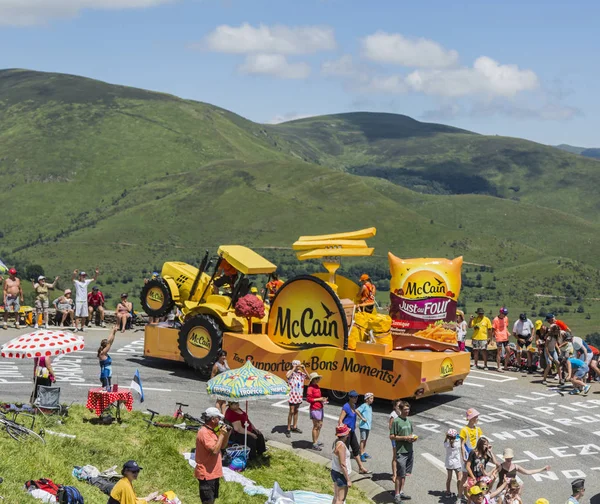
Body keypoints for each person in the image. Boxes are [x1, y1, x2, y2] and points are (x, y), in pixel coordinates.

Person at [195, 407, 231, 504]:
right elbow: (214, 451)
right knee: (208, 501)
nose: (220, 420)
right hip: (206, 474)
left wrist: (226, 434)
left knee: (212, 499)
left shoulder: (212, 431)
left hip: (214, 472)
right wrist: (222, 435)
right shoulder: (204, 433)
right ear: (212, 419)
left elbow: (222, 447)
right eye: (218, 418)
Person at [338, 390, 370, 475]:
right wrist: (343, 431)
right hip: (346, 433)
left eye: (356, 397)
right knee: (346, 452)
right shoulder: (346, 407)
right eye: (354, 397)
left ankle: (361, 468)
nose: (356, 398)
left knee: (356, 450)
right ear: (350, 397)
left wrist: (362, 418)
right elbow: (340, 420)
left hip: (352, 432)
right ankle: (343, 470)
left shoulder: (353, 406)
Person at [390, 400, 415, 502]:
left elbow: (411, 434)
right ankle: (396, 495)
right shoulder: (396, 421)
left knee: (404, 474)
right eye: (405, 409)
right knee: (400, 475)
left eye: (408, 409)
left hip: (410, 451)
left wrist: (413, 438)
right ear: (400, 410)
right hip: (401, 451)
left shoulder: (409, 421)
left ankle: (401, 492)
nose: (407, 411)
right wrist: (405, 438)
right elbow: (391, 436)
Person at [460, 408, 483, 496]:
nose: (477, 418)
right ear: (472, 418)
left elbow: (481, 441)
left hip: (476, 456)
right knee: (465, 477)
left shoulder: (478, 429)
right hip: (468, 455)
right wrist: (463, 456)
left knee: (477, 476)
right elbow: (462, 444)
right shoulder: (464, 430)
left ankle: (473, 496)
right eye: (476, 417)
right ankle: (460, 495)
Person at [285, 360, 308, 438]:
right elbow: (287, 376)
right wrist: (293, 368)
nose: (299, 367)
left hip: (299, 394)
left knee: (296, 411)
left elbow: (309, 378)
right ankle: (288, 428)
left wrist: (304, 369)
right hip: (292, 394)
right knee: (291, 411)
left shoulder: (301, 373)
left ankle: (294, 426)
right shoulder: (290, 372)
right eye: (297, 365)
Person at [331, 424, 353, 504]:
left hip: (335, 471)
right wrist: (348, 480)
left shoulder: (336, 442)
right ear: (346, 435)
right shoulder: (341, 446)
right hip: (341, 474)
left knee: (336, 497)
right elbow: (343, 465)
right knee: (341, 499)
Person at [306, 372, 327, 451]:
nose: (318, 379)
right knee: (316, 426)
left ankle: (316, 441)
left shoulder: (316, 386)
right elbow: (309, 399)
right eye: (317, 378)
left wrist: (323, 400)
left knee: (320, 425)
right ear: (313, 379)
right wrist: (320, 399)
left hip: (320, 407)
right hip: (314, 408)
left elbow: (317, 397)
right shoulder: (310, 388)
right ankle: (314, 443)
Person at [444, 428, 463, 498]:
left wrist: (446, 437)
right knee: (459, 479)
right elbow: (460, 438)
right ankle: (459, 492)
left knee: (449, 478)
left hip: (449, 463)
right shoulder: (458, 443)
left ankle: (448, 492)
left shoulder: (447, 444)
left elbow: (444, 443)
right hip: (457, 463)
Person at [210, 350, 230, 414]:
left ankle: (223, 415)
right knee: (219, 401)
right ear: (219, 356)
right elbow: (212, 375)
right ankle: (216, 414)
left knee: (224, 401)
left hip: (225, 384)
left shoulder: (225, 362)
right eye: (222, 356)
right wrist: (211, 386)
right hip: (219, 384)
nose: (224, 357)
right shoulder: (216, 365)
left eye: (225, 355)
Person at [98, 326, 117, 390]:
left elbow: (110, 342)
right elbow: (109, 342)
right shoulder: (102, 353)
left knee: (109, 389)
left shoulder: (104, 352)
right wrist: (112, 330)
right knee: (106, 390)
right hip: (105, 375)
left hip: (108, 373)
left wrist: (114, 333)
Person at [357, 392, 374, 462]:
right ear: (366, 399)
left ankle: (363, 451)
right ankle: (361, 454)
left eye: (372, 398)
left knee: (365, 440)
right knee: (362, 440)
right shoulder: (364, 405)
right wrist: (362, 418)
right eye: (371, 398)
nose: (372, 400)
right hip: (363, 426)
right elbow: (357, 410)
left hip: (368, 426)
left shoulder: (370, 407)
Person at [389, 399, 402, 484]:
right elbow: (390, 427)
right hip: (395, 438)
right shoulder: (393, 415)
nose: (400, 408)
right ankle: (394, 474)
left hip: (401, 438)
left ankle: (399, 473)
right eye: (398, 406)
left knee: (400, 456)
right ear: (394, 407)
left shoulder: (401, 414)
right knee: (395, 456)